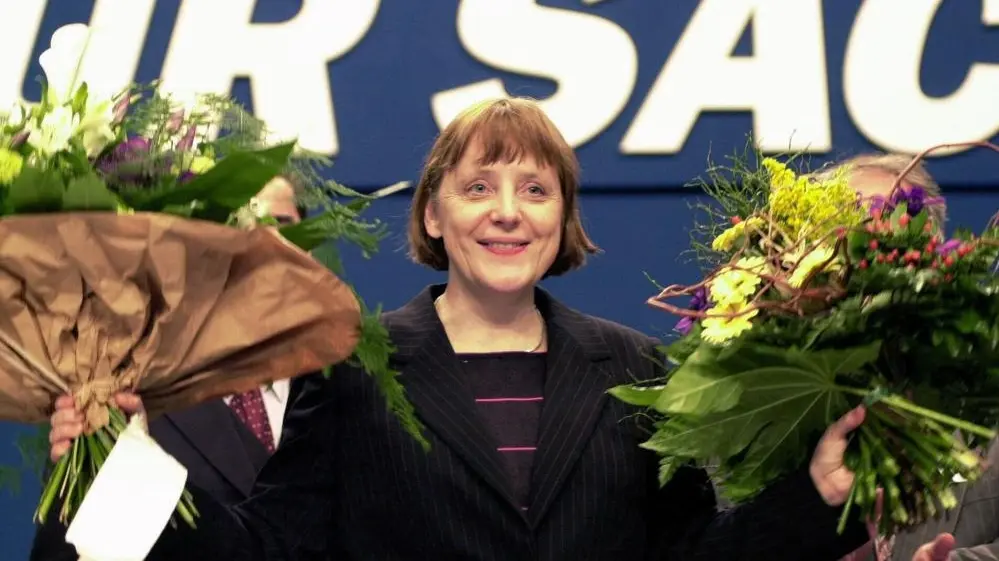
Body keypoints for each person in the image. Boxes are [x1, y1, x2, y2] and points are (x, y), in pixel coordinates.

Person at [46, 98, 872, 560]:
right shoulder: (351, 370)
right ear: (433, 214)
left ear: (563, 218)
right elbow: (269, 553)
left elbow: (697, 557)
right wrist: (125, 466)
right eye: (478, 188)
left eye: (534, 190)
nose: (507, 212)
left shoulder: (636, 368)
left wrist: (818, 493)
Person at [31, 175, 305, 561]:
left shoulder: (352, 385)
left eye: (282, 225)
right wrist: (114, 470)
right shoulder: (119, 401)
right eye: (241, 226)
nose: (264, 244)